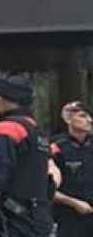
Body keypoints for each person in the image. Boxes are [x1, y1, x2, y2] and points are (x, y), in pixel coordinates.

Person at [0, 75, 54, 237]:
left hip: (9, 224)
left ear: (5, 100)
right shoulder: (36, 131)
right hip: (37, 219)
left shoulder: (7, 130)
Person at [51, 101, 93, 237]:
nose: (90, 120)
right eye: (83, 116)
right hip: (69, 217)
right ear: (68, 119)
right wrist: (73, 203)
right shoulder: (56, 147)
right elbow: (46, 187)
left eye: (89, 116)